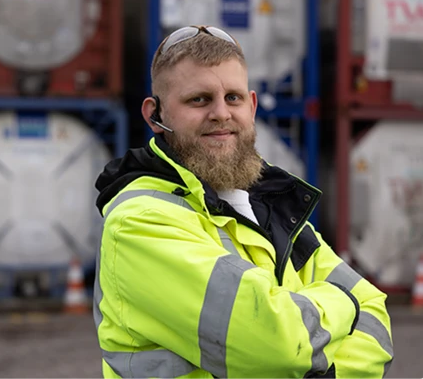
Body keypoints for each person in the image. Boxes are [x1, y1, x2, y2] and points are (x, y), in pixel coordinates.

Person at [93, 25, 393, 379]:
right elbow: (278, 345)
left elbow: (377, 320)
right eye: (199, 99)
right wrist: (345, 303)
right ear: (155, 115)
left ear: (251, 106)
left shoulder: (270, 208)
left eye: (232, 98)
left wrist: (314, 360)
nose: (221, 113)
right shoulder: (139, 222)